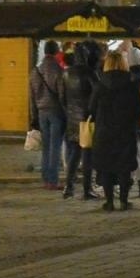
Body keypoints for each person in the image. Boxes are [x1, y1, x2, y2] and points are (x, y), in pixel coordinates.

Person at [91, 50, 140, 211]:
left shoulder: (100, 85)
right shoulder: (131, 85)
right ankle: (124, 201)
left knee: (106, 166)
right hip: (125, 131)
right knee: (124, 167)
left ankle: (109, 202)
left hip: (104, 131)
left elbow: (91, 108)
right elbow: (139, 108)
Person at [61, 41, 100, 200]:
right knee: (87, 156)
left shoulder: (66, 73)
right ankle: (87, 189)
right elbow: (97, 94)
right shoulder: (89, 73)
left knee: (74, 154)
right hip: (87, 118)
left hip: (72, 118)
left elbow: (62, 97)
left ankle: (68, 187)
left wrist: (70, 112)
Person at [30, 40, 67, 190]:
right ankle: (53, 180)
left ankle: (46, 179)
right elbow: (62, 94)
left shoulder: (35, 71)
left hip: (41, 112)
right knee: (55, 146)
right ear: (56, 52)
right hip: (56, 111)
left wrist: (33, 116)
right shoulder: (58, 70)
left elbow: (32, 97)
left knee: (46, 146)